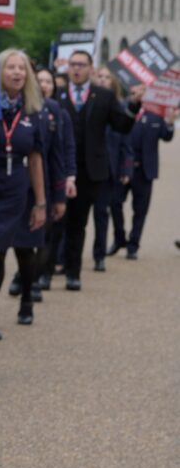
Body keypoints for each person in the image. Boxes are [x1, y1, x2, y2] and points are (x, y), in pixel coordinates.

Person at [0, 49, 48, 330]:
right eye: (11, 67)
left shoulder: (32, 110)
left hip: (16, 191)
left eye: (21, 68)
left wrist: (40, 202)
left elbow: (37, 158)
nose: (17, 72)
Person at [57, 50, 141, 290]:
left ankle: (74, 273)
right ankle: (45, 272)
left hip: (90, 170)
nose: (76, 69)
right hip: (61, 168)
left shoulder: (103, 96)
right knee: (55, 224)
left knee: (78, 224)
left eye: (81, 65)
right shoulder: (58, 92)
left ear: (90, 68)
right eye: (73, 64)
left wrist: (134, 104)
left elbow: (122, 126)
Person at [32, 66, 76, 293]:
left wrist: (68, 177)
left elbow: (65, 147)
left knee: (46, 235)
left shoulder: (58, 112)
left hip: (49, 179)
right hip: (25, 181)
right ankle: (25, 275)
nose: (44, 85)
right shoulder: (23, 108)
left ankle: (40, 276)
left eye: (49, 81)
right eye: (40, 80)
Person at [123, 107, 176, 259]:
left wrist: (170, 122)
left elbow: (166, 136)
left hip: (145, 171)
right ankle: (119, 237)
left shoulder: (156, 115)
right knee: (114, 203)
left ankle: (133, 245)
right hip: (124, 168)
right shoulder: (125, 110)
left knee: (140, 210)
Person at [90, 67, 130, 270]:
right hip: (85, 167)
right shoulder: (85, 102)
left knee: (101, 214)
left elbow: (125, 143)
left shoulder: (117, 107)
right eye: (100, 76)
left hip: (106, 169)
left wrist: (126, 169)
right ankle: (63, 258)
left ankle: (99, 255)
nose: (103, 80)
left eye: (108, 77)